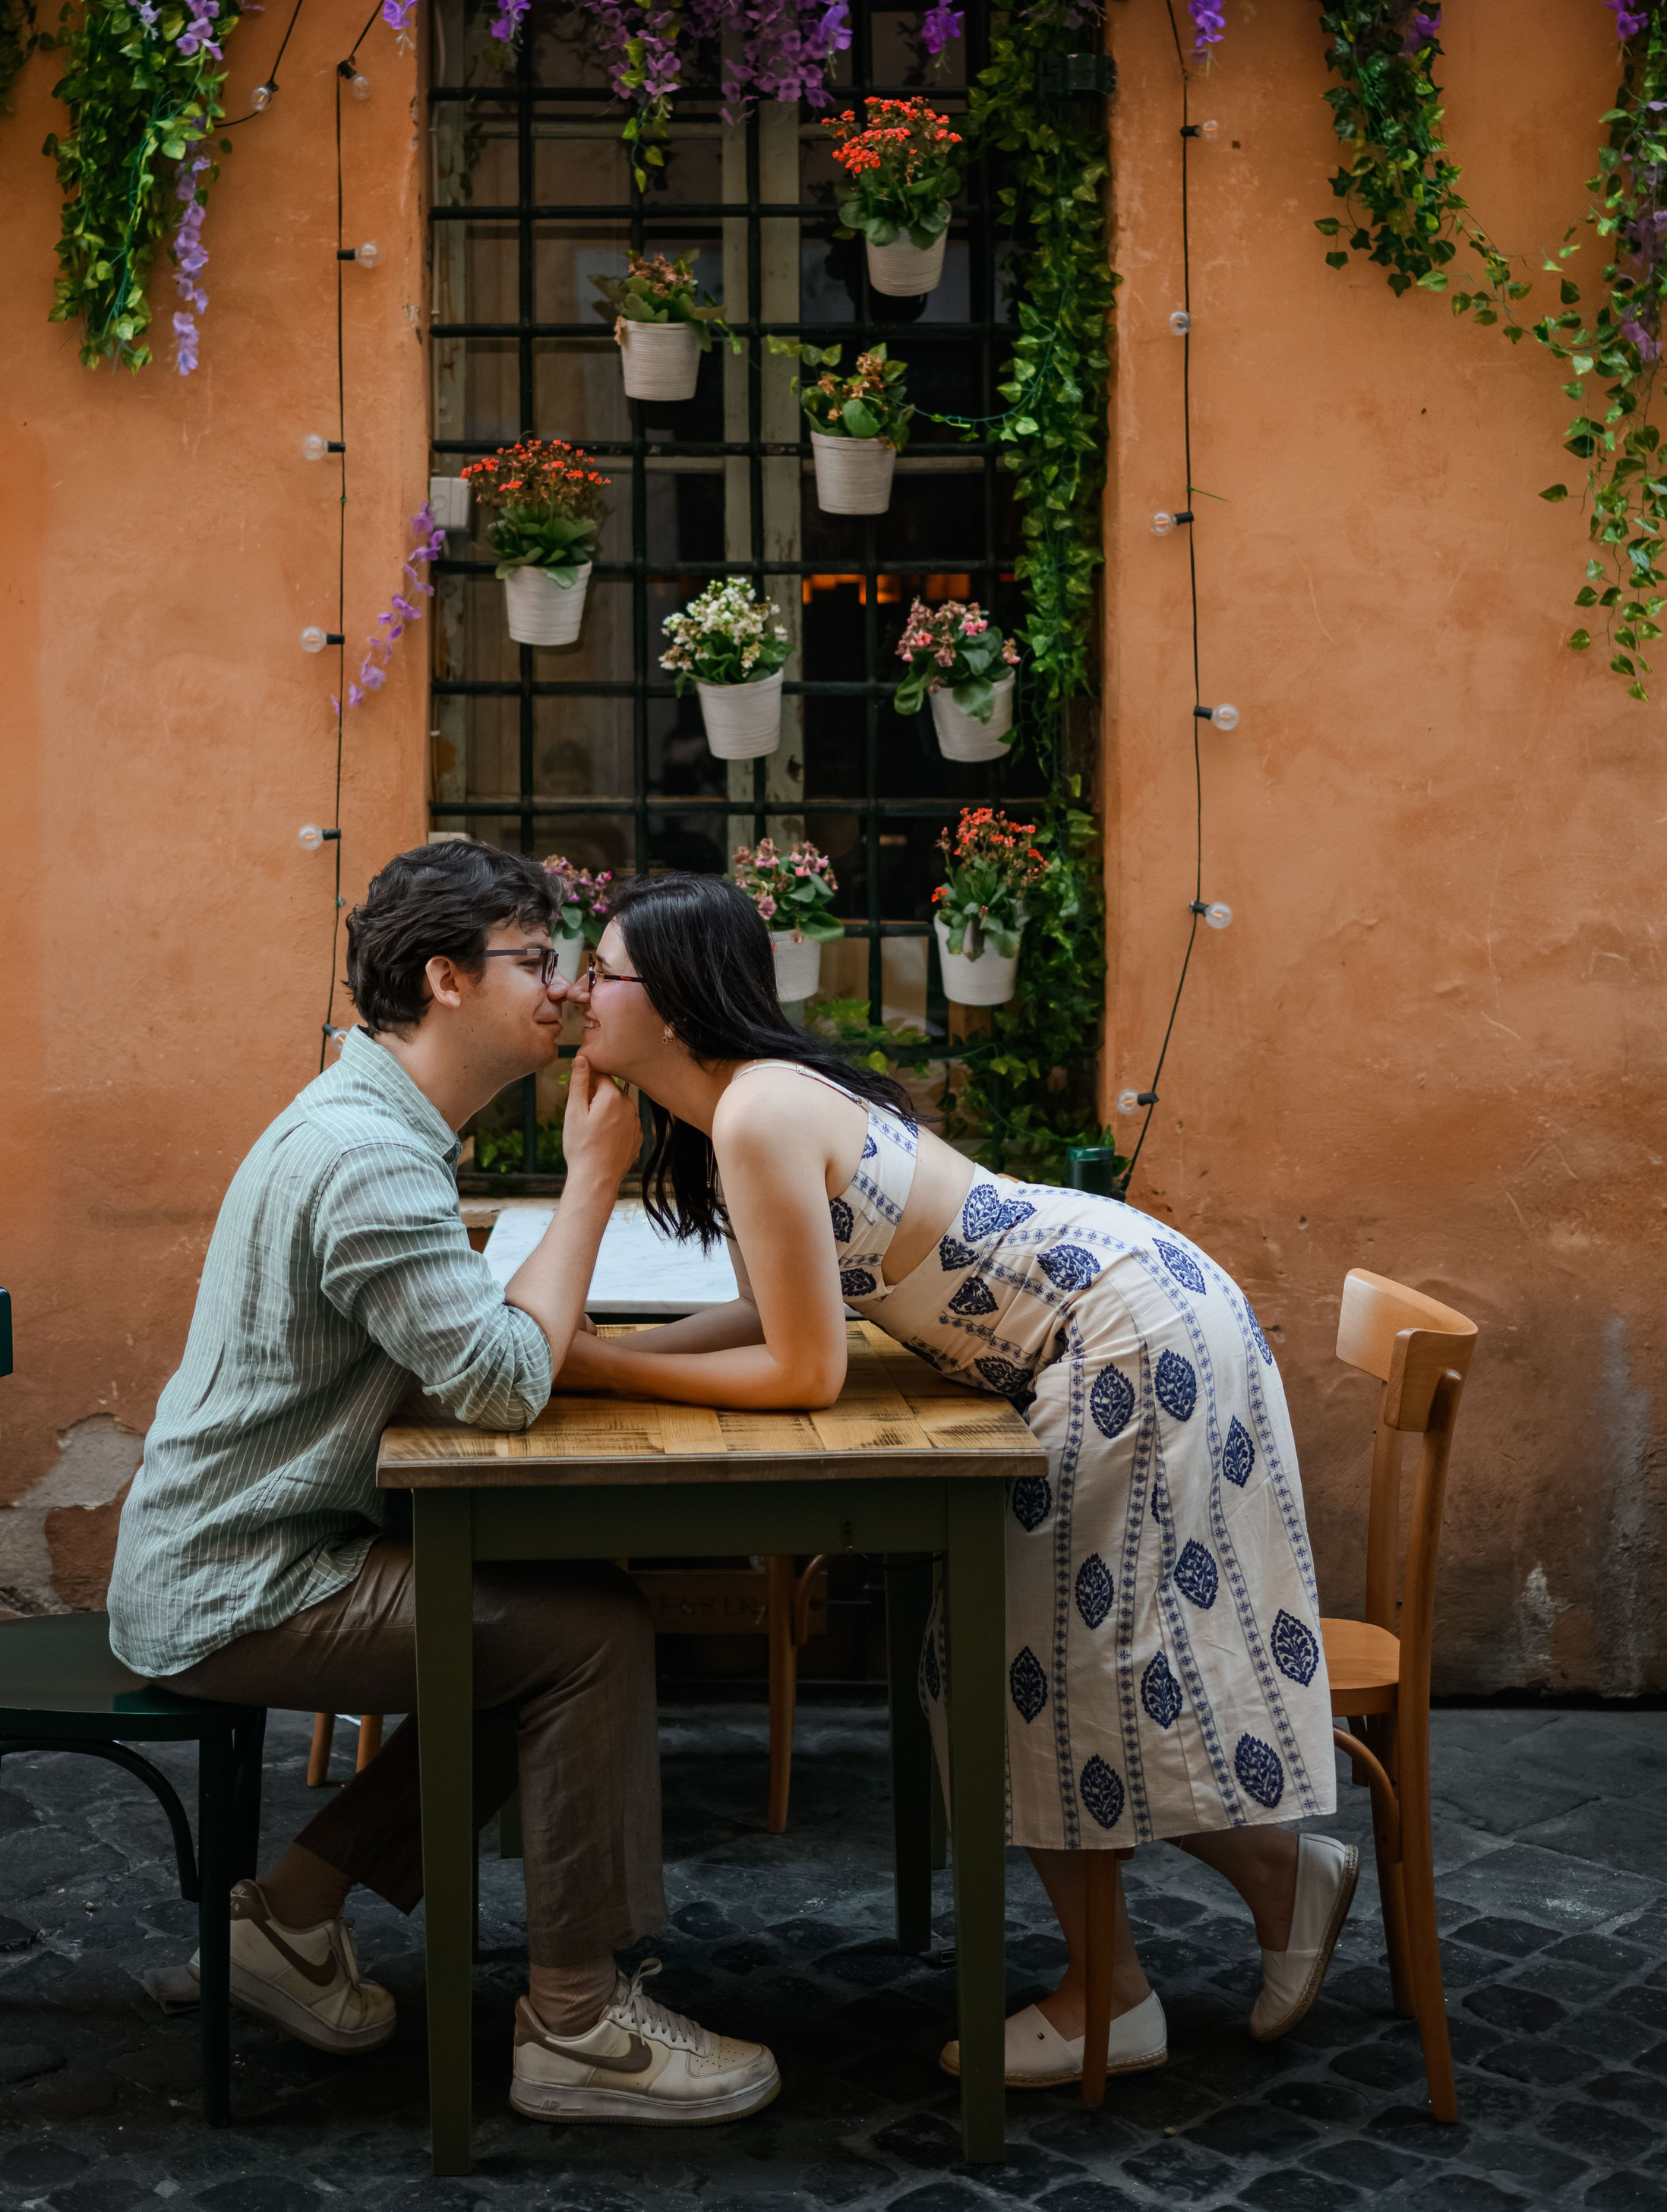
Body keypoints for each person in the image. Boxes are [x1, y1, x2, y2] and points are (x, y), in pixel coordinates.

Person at [554, 870, 1354, 2091]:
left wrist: (601, 1373)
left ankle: (1114, 1999)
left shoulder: (759, 1113)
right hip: (1124, 1315)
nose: (573, 993)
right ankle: (1267, 1884)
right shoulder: (751, 1107)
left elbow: (807, 1371)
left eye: (598, 970)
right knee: (1023, 1663)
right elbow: (780, 1304)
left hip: (1124, 1338)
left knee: (1022, 1667)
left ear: (668, 999)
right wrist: (599, 1356)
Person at [106, 840, 778, 2127]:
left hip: (254, 1548)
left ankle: (289, 1921)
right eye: (536, 960)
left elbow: (473, 1358)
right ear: (445, 980)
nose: (568, 991)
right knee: (584, 1636)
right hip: (241, 1582)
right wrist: (591, 1179)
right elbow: (502, 1381)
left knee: (544, 1615)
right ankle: (578, 2027)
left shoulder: (377, 1122)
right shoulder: (366, 1155)